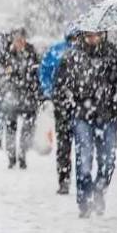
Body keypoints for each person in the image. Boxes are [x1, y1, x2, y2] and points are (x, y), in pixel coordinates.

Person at [54, 29, 117, 218]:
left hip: (107, 114)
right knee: (84, 161)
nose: (93, 38)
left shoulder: (116, 54)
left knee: (108, 162)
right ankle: (84, 200)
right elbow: (61, 84)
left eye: (96, 33)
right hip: (82, 115)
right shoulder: (72, 56)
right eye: (89, 34)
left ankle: (99, 191)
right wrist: (71, 100)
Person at [40, 31, 78, 194]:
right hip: (62, 102)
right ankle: (64, 179)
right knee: (64, 142)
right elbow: (45, 72)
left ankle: (83, 179)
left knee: (83, 144)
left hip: (82, 103)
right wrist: (49, 91)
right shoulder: (57, 50)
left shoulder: (86, 51)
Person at [1, 28, 41, 170]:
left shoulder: (32, 53)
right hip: (13, 95)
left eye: (21, 39)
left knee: (27, 128)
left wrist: (34, 88)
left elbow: (37, 74)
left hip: (28, 95)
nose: (19, 42)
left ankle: (23, 153)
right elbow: (3, 74)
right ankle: (11, 156)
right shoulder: (7, 54)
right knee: (11, 127)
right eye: (16, 40)